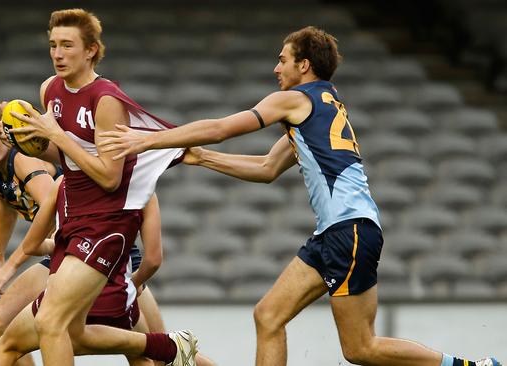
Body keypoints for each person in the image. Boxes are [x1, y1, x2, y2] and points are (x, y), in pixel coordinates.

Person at [98, 26, 502, 366]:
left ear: (303, 65)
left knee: (360, 348)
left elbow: (224, 126)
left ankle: (465, 365)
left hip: (350, 230)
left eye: (282, 59)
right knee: (268, 315)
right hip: (339, 231)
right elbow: (267, 169)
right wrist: (201, 158)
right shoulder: (322, 108)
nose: (276, 68)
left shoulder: (295, 99)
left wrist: (149, 141)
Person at [7, 8, 198, 366]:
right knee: (68, 330)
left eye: (67, 45)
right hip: (76, 217)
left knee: (50, 321)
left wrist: (56, 135)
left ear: (92, 49)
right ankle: (169, 348)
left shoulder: (106, 99)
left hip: (108, 219)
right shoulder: (50, 89)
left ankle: (168, 349)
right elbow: (63, 155)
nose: (58, 54)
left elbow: (110, 176)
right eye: (52, 45)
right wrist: (26, 140)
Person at [0, 176, 156, 366]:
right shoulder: (141, 184)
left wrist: (56, 244)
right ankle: (167, 345)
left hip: (69, 291)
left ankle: (167, 345)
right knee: (148, 356)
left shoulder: (62, 182)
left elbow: (31, 246)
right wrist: (134, 283)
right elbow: (153, 260)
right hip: (117, 291)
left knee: (14, 341)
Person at [0, 95, 62, 366]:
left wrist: (10, 267)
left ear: (5, 130)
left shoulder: (23, 158)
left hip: (86, 250)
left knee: (145, 350)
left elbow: (49, 207)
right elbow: (6, 202)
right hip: (65, 253)